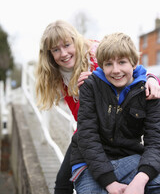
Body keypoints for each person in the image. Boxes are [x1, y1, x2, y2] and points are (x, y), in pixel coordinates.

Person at [35, 21, 160, 194]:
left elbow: (132, 67)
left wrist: (153, 78)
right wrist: (88, 93)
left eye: (66, 45)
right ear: (49, 54)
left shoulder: (97, 55)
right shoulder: (59, 74)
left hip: (113, 136)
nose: (63, 53)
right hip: (90, 132)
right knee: (63, 182)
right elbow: (82, 121)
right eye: (55, 49)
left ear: (75, 41)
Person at [70, 32, 160, 194]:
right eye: (108, 64)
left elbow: (155, 142)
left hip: (129, 159)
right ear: (101, 66)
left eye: (122, 62)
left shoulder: (149, 90)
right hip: (90, 163)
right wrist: (110, 183)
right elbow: (87, 137)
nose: (116, 70)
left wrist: (141, 179)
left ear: (134, 63)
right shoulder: (90, 87)